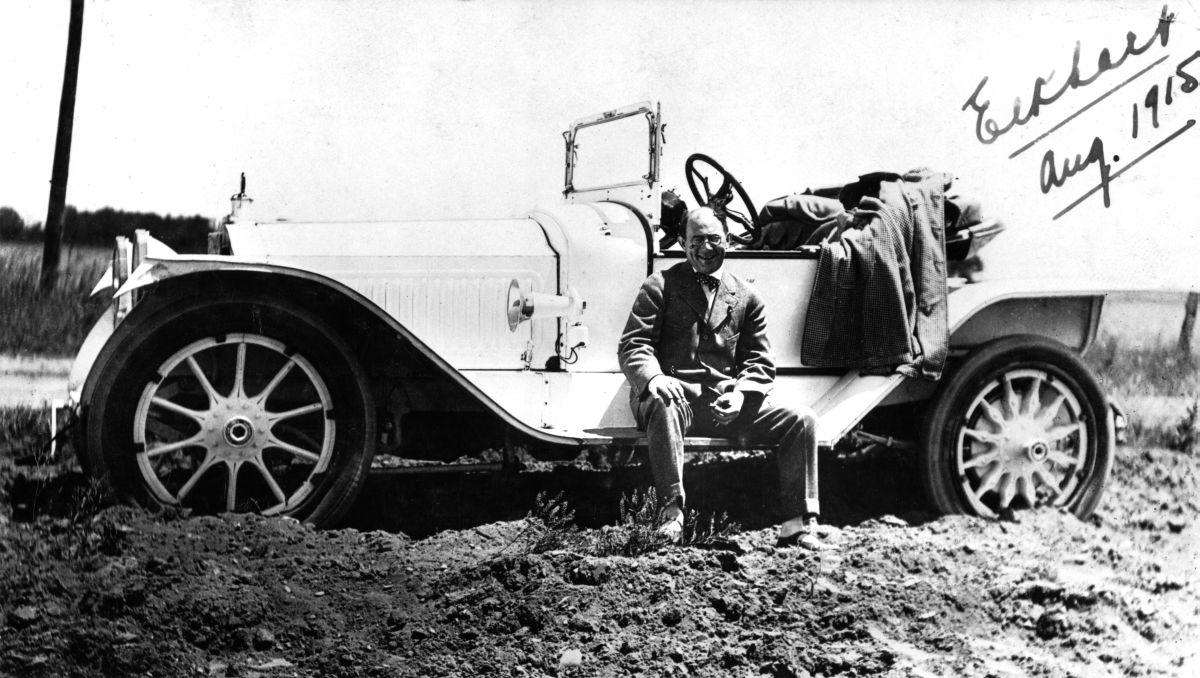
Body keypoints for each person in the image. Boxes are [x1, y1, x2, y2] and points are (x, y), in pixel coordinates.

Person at [618, 206, 821, 547]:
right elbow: (633, 345)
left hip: (724, 404)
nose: (706, 248)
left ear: (727, 240)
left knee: (802, 420)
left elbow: (759, 361)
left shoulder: (747, 296)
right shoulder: (661, 285)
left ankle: (796, 524)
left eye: (714, 238)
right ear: (683, 244)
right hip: (674, 400)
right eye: (696, 240)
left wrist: (741, 395)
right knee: (664, 402)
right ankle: (671, 514)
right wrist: (654, 379)